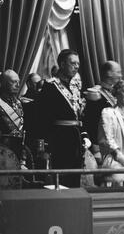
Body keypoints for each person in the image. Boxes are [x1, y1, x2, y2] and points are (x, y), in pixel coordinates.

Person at [36, 49, 88, 187]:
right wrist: (44, 147)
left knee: (75, 180)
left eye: (78, 63)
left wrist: (84, 135)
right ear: (62, 64)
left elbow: (79, 116)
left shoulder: (75, 87)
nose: (76, 66)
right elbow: (42, 119)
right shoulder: (50, 86)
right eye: (73, 63)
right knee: (62, 181)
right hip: (59, 140)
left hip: (75, 140)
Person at [83, 61, 122, 164]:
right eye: (117, 72)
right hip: (101, 147)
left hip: (115, 144)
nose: (120, 75)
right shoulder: (95, 94)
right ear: (109, 73)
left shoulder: (113, 93)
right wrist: (95, 147)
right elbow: (91, 122)